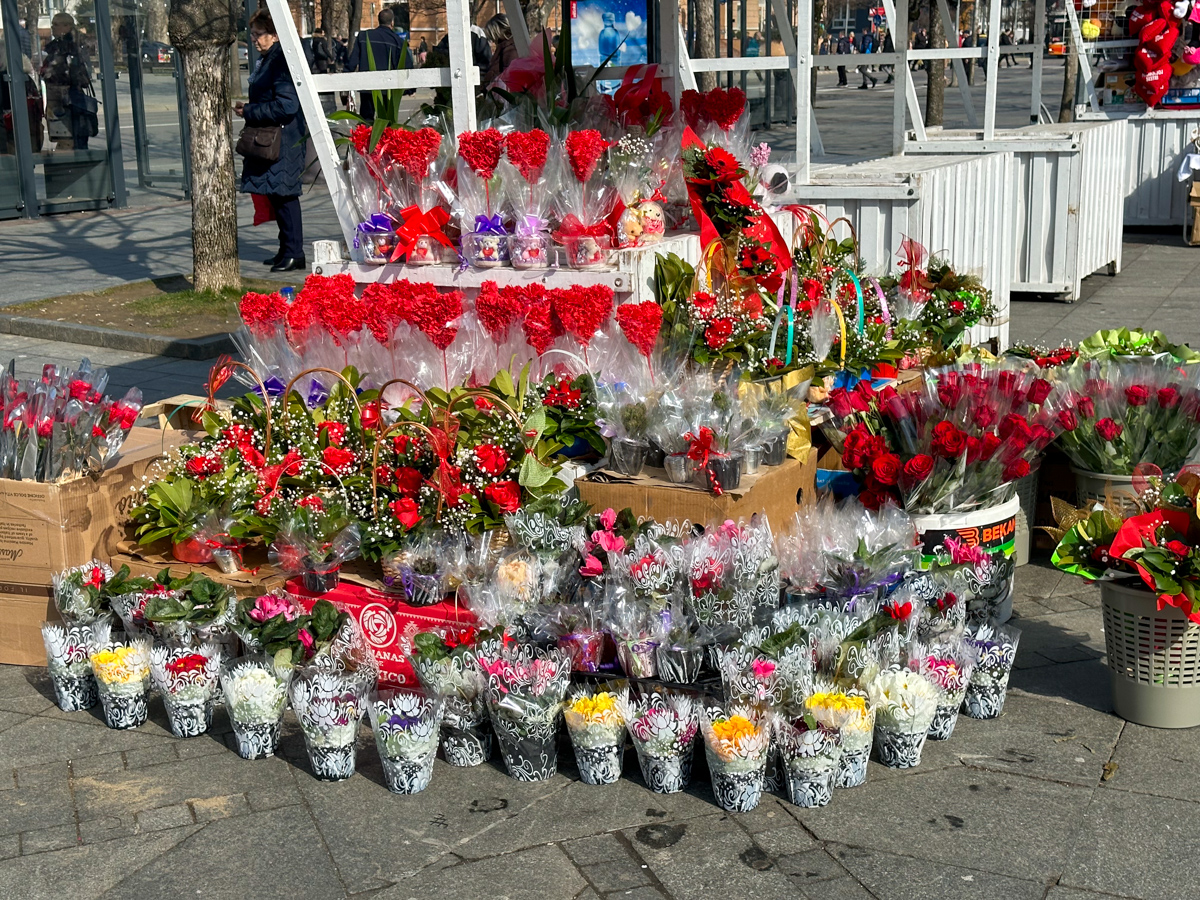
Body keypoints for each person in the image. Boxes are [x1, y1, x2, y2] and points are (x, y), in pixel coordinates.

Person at [236, 9, 308, 272]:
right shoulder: (271, 57)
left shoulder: (280, 60)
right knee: (278, 195)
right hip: (276, 137)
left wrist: (250, 111)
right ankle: (286, 250)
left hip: (284, 139)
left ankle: (294, 252)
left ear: (275, 35)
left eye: (258, 34)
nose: (254, 39)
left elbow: (287, 105)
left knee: (285, 195)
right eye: (252, 34)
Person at [40, 13, 95, 151]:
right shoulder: (58, 45)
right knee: (69, 139)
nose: (52, 28)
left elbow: (77, 72)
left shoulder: (74, 45)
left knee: (70, 139)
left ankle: (73, 167)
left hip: (67, 97)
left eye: (55, 24)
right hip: (61, 96)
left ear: (67, 26)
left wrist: (49, 70)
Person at [347, 8, 406, 118]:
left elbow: (352, 61)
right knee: (387, 122)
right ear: (392, 22)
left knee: (366, 120)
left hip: (367, 86)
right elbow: (404, 65)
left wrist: (346, 80)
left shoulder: (364, 36)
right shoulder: (397, 41)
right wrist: (409, 88)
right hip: (387, 87)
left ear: (378, 20)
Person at [482, 14, 517, 84]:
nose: (492, 41)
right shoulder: (506, 48)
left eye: (492, 36)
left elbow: (510, 80)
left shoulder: (509, 51)